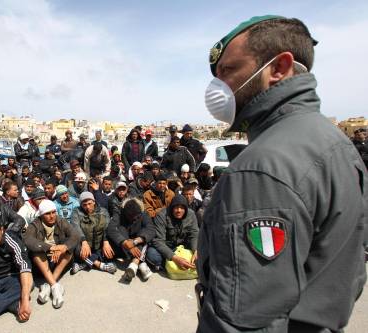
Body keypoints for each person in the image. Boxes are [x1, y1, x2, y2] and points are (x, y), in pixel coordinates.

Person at [198, 15, 367, 332]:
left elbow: (246, 320)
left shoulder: (260, 167)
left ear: (278, 69)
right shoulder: (335, 144)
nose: (218, 87)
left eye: (228, 71)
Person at [23, 200, 79, 308]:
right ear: (42, 215)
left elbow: (75, 235)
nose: (52, 216)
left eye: (53, 212)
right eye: (47, 214)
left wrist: (64, 247)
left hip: (57, 259)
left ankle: (49, 285)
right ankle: (55, 286)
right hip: (42, 263)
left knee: (69, 250)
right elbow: (28, 240)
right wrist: (51, 248)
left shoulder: (61, 221)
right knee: (36, 252)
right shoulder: (35, 224)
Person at [107, 198, 155, 282]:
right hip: (124, 243)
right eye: (130, 217)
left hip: (138, 241)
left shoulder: (143, 213)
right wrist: (126, 243)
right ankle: (140, 264)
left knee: (144, 234)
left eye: (136, 217)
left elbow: (151, 229)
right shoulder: (119, 213)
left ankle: (134, 264)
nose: (133, 219)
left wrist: (135, 241)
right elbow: (111, 229)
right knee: (120, 228)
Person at [147, 195, 198, 272]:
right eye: (176, 207)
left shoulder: (191, 214)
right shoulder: (162, 215)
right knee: (152, 255)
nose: (179, 210)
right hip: (167, 246)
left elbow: (194, 234)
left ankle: (173, 264)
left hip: (183, 246)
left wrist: (195, 250)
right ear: (171, 207)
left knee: (203, 251)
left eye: (182, 208)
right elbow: (158, 241)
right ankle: (171, 264)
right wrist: (175, 258)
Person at [70, 192, 116, 275]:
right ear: (81, 205)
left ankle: (83, 264)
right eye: (84, 205)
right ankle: (100, 265)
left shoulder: (103, 211)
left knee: (111, 247)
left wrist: (106, 241)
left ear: (94, 201)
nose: (87, 207)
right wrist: (83, 242)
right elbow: (75, 226)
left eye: (89, 203)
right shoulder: (76, 211)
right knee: (76, 248)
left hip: (99, 243)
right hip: (84, 243)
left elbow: (108, 227)